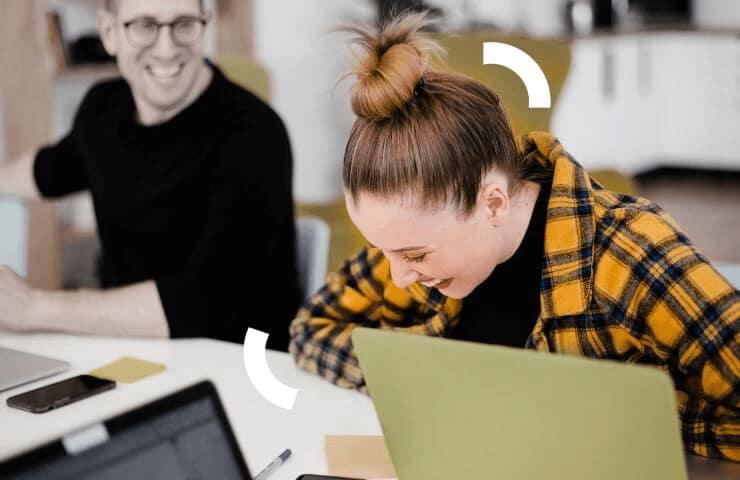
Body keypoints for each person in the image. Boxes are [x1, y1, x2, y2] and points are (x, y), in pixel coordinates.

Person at [289, 12, 739, 460]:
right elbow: (310, 330)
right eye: (383, 250)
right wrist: (420, 377)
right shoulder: (410, 245)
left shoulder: (630, 252)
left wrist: (629, 416)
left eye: (416, 254)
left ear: (494, 203)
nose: (399, 276)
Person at [0, 0, 300, 350]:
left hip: (244, 366)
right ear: (110, 33)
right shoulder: (102, 110)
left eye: (184, 24)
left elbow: (205, 300)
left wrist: (35, 307)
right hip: (132, 351)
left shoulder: (254, 133)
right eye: (144, 25)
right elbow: (48, 170)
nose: (166, 47)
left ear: (205, 24)